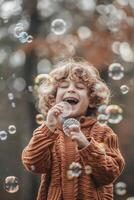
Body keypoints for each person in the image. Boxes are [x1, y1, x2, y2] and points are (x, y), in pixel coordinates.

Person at [22, 58, 125, 200]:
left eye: (79, 87)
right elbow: (33, 164)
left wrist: (86, 145)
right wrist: (49, 127)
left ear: (92, 99)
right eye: (63, 86)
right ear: (53, 99)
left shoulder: (103, 132)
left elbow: (109, 174)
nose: (71, 89)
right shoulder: (48, 133)